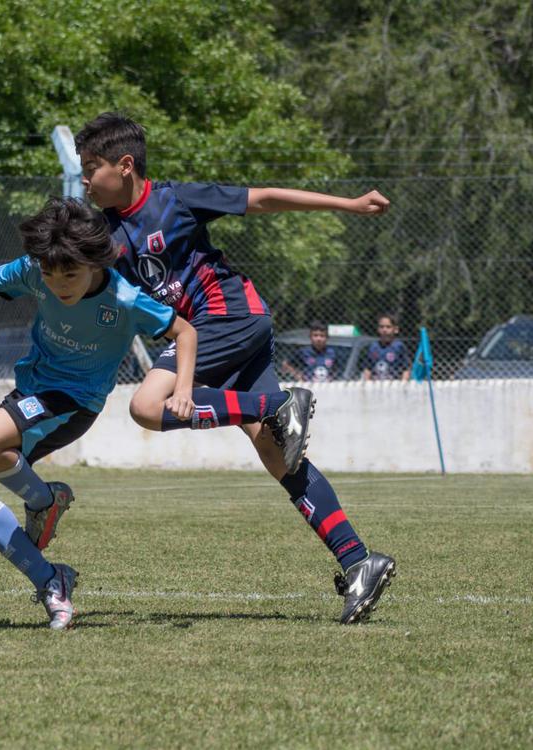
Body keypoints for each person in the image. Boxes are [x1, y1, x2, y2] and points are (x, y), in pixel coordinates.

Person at [74, 112, 397, 624]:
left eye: (92, 167)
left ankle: (279, 403)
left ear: (126, 165)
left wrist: (350, 205)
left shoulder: (175, 200)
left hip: (227, 316)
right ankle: (359, 560)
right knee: (277, 454)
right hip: (226, 331)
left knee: (146, 406)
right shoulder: (107, 232)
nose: (86, 179)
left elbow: (264, 197)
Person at [0, 196, 203, 630]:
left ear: (94, 262)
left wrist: (183, 389)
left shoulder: (125, 298)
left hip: (74, 402)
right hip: (34, 392)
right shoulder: (37, 270)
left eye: (70, 273)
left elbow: (184, 331)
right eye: (50, 274)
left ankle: (42, 498)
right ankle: (51, 578)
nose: (58, 283)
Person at [362, 313, 411, 381]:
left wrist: (403, 384)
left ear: (396, 329)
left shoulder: (399, 347)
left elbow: (406, 369)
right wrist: (367, 383)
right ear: (378, 329)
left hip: (394, 384)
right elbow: (368, 368)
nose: (384, 330)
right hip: (376, 384)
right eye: (381, 327)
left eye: (388, 327)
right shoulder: (373, 347)